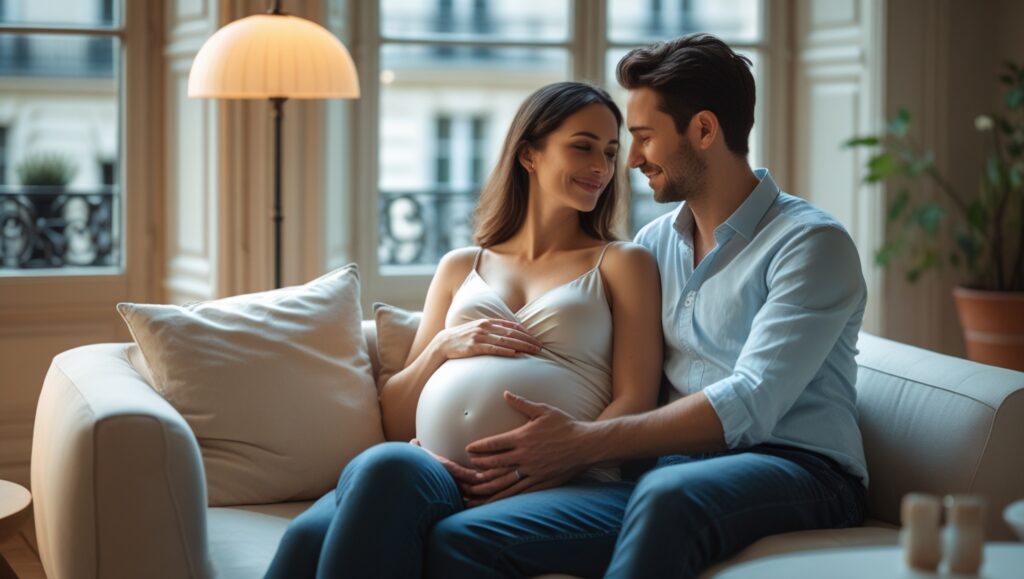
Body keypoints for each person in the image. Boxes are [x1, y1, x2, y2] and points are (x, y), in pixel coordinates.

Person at [424, 34, 869, 578]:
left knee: (668, 494)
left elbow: (752, 402)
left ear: (703, 130)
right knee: (461, 538)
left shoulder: (809, 244)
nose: (628, 161)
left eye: (641, 138)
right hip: (668, 470)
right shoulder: (656, 244)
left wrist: (582, 444)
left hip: (798, 469)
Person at [263, 81, 663, 578]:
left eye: (609, 151)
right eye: (582, 147)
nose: (602, 168)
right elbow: (396, 423)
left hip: (570, 479)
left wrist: (562, 451)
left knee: (369, 491)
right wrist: (440, 348)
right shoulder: (460, 266)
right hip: (438, 474)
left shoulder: (623, 263)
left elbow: (637, 400)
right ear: (529, 155)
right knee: (347, 498)